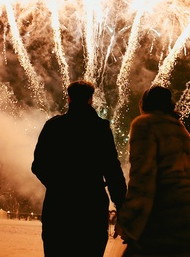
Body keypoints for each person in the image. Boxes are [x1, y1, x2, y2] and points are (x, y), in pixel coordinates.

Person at [115, 86, 190, 257]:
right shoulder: (180, 128)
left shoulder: (143, 124)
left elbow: (142, 180)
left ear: (144, 104)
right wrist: (185, 200)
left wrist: (128, 222)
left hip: (162, 227)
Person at [32, 80, 127, 257]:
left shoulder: (54, 126)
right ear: (91, 100)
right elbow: (112, 170)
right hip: (91, 205)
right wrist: (121, 205)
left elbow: (38, 165)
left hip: (58, 206)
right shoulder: (100, 128)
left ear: (69, 99)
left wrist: (58, 186)